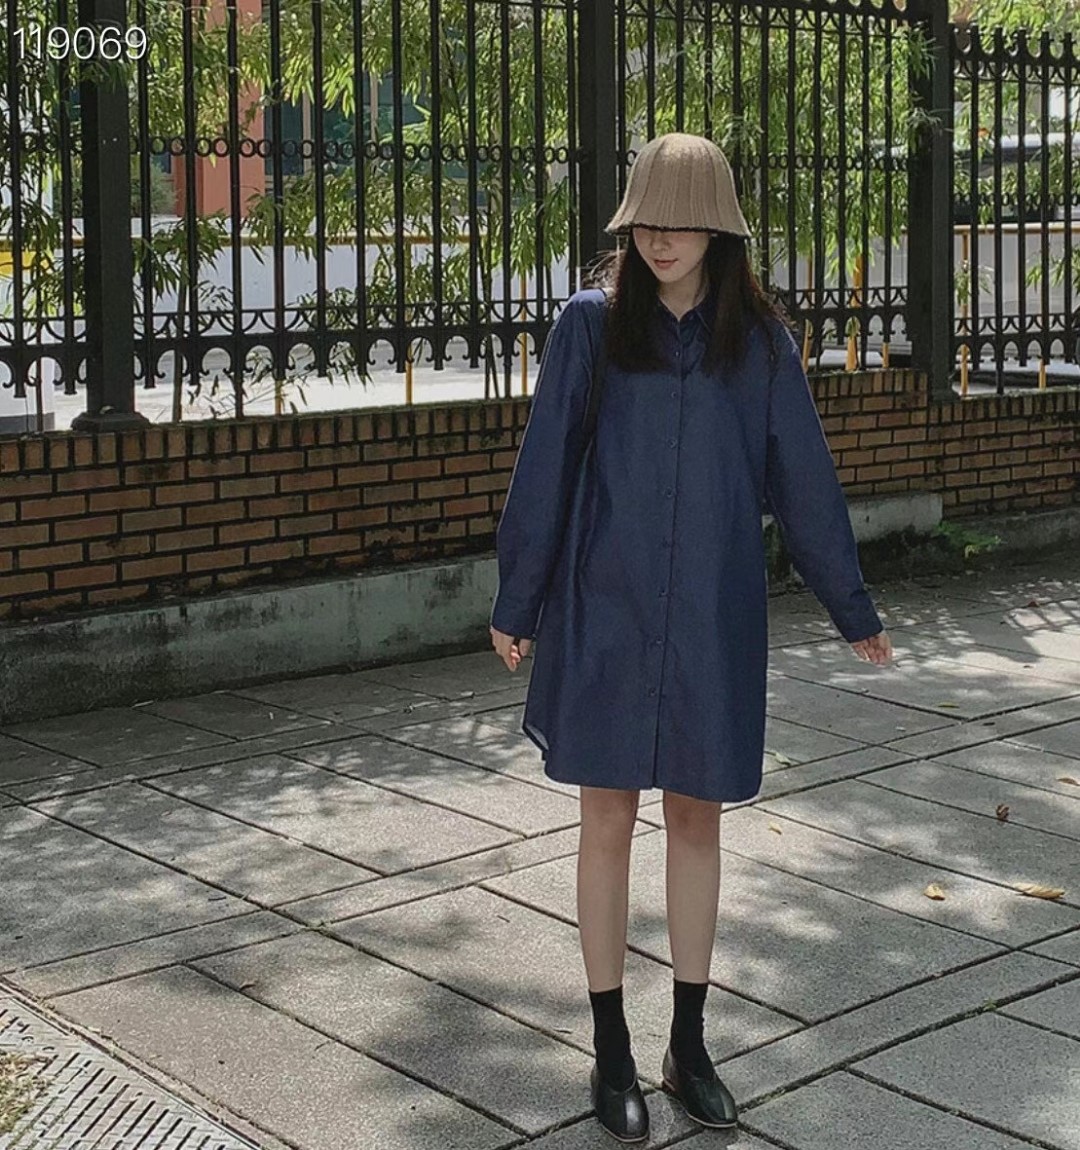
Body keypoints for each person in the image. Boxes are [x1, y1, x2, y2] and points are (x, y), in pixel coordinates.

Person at [488, 132, 893, 1142]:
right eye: (645, 222)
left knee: (698, 822)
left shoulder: (759, 345)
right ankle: (610, 1049)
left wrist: (851, 606)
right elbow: (546, 465)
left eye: (680, 221)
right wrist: (518, 599)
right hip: (606, 610)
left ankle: (689, 1044)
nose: (660, 239)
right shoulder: (589, 327)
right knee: (606, 820)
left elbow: (804, 479)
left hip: (712, 617)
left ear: (719, 228)